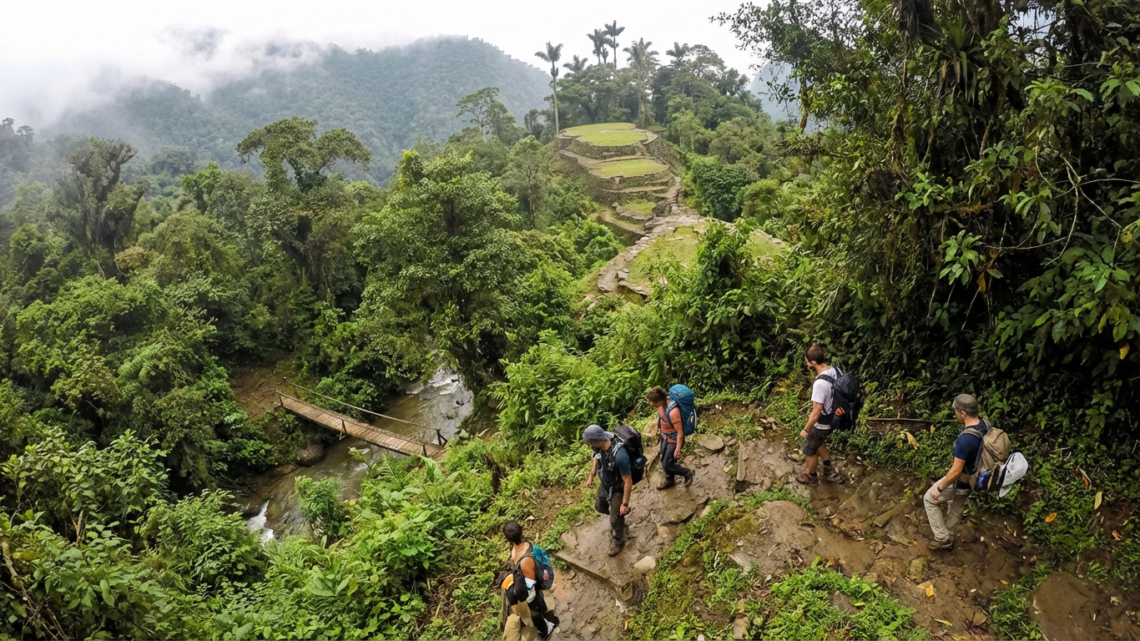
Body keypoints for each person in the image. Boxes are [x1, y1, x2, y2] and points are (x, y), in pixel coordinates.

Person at [924, 394, 987, 550]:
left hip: (963, 478)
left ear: (963, 413)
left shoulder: (965, 439)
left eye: (956, 411)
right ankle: (949, 534)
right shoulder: (985, 424)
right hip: (977, 477)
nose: (955, 414)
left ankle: (942, 538)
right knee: (956, 505)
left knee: (929, 499)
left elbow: (955, 471)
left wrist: (940, 488)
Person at [796, 344, 846, 486]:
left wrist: (806, 429)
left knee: (810, 449)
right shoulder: (835, 370)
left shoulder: (819, 383)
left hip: (824, 421)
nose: (806, 362)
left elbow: (816, 412)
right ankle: (828, 470)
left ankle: (811, 477)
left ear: (813, 362)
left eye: (807, 360)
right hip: (836, 416)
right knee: (819, 441)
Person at [502, 521, 558, 640]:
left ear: (508, 539)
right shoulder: (526, 544)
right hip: (531, 582)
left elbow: (530, 581)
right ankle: (543, 614)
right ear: (521, 531)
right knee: (537, 604)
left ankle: (545, 628)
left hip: (530, 587)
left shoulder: (522, 559)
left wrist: (521, 595)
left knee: (534, 610)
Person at [584, 424, 632, 556]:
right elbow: (596, 457)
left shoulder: (620, 456)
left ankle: (618, 539)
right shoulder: (598, 446)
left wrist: (625, 504)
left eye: (589, 442)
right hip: (605, 484)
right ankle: (619, 520)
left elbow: (628, 481)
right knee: (599, 506)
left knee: (614, 520)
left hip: (617, 487)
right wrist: (591, 475)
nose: (589, 445)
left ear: (596, 441)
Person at [646, 387, 693, 490]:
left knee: (667, 463)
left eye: (651, 402)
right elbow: (661, 417)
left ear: (658, 401)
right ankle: (669, 480)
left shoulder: (673, 412)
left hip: (674, 440)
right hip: (664, 436)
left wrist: (678, 448)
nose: (650, 403)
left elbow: (680, 432)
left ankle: (686, 472)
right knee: (663, 458)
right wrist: (657, 427)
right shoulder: (661, 406)